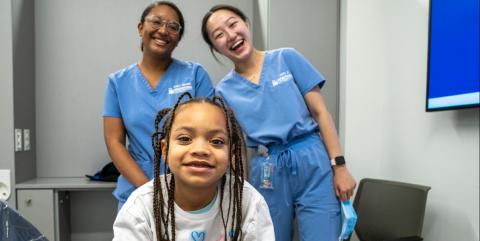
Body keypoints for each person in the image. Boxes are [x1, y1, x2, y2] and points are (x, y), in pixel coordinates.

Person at [201, 5, 356, 241]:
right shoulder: (223, 91)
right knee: (269, 236)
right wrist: (241, 193)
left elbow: (321, 113)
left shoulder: (287, 58)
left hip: (313, 161)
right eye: (219, 35)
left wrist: (340, 167)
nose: (230, 35)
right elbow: (238, 147)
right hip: (266, 170)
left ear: (246, 24)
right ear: (216, 48)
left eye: (233, 24)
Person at [112, 93, 275, 241]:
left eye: (217, 142)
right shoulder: (140, 208)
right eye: (184, 139)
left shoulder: (249, 202)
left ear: (231, 154)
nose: (200, 150)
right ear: (165, 149)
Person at [103, 1, 214, 211]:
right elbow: (114, 141)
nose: (163, 30)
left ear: (178, 39)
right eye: (156, 22)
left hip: (190, 188)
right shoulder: (118, 82)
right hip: (136, 190)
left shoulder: (195, 75)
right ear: (140, 28)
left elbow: (210, 131)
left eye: (173, 27)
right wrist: (148, 190)